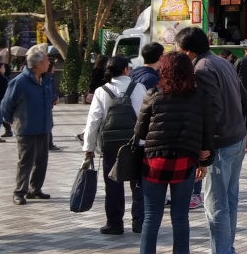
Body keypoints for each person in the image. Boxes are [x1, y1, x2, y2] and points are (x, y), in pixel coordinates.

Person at [176, 26, 247, 254]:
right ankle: (227, 248)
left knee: (216, 205)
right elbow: (245, 99)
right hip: (236, 139)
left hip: (220, 145)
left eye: (179, 50)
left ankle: (222, 250)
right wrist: (245, 131)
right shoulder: (222, 62)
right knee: (229, 201)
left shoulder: (201, 69)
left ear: (188, 51)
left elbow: (213, 110)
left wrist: (204, 148)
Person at [136, 51, 215, 254]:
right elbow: (208, 131)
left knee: (151, 217)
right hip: (185, 161)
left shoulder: (153, 93)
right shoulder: (199, 96)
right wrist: (205, 161)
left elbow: (140, 131)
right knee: (180, 218)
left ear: (165, 70)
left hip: (154, 162)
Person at [83, 55, 147, 234]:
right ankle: (139, 221)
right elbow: (148, 115)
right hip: (136, 143)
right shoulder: (139, 88)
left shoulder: (102, 91)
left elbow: (93, 121)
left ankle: (114, 223)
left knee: (113, 185)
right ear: (126, 69)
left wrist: (88, 147)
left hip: (111, 146)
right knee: (138, 183)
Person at [0, 48, 56, 205]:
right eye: (46, 60)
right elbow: (6, 104)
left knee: (42, 161)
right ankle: (19, 192)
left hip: (44, 127)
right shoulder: (20, 82)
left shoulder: (44, 80)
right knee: (26, 162)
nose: (49, 63)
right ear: (38, 64)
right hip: (27, 128)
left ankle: (35, 189)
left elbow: (46, 96)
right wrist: (10, 120)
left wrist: (53, 98)